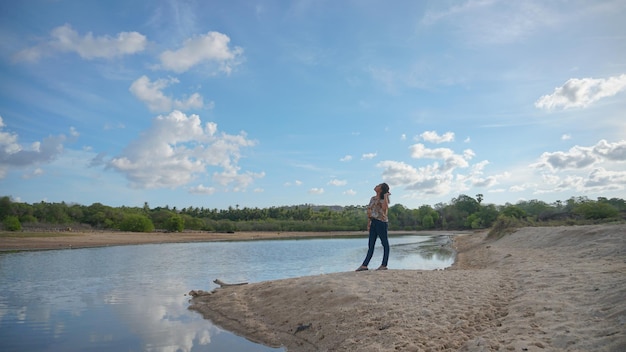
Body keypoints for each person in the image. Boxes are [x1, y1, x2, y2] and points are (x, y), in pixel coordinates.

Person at [356, 183, 390, 271]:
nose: (376, 185)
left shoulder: (383, 199)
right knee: (371, 244)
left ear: (381, 189)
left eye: (378, 185)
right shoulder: (372, 198)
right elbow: (370, 211)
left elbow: (385, 209)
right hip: (373, 222)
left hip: (381, 222)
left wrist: (386, 196)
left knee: (385, 243)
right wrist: (369, 223)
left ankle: (384, 265)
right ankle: (364, 265)